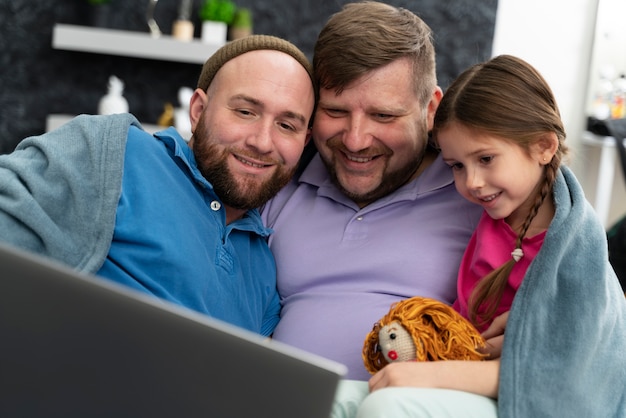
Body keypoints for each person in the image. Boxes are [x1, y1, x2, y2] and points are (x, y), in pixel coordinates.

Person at [332, 54, 626, 418]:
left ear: (544, 147)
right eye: (457, 166)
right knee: (334, 398)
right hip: (472, 373)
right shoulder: (494, 220)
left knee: (388, 406)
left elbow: (563, 371)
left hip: (520, 396)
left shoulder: (572, 248)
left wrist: (432, 374)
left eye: (486, 159)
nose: (471, 182)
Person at [0, 35, 315, 337]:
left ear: (305, 142)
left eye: (287, 126)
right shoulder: (112, 150)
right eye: (245, 112)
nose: (262, 142)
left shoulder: (262, 268)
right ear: (198, 111)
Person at [261, 1, 483, 380]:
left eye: (383, 116)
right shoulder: (280, 184)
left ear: (431, 110)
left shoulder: (478, 197)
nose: (356, 140)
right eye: (336, 111)